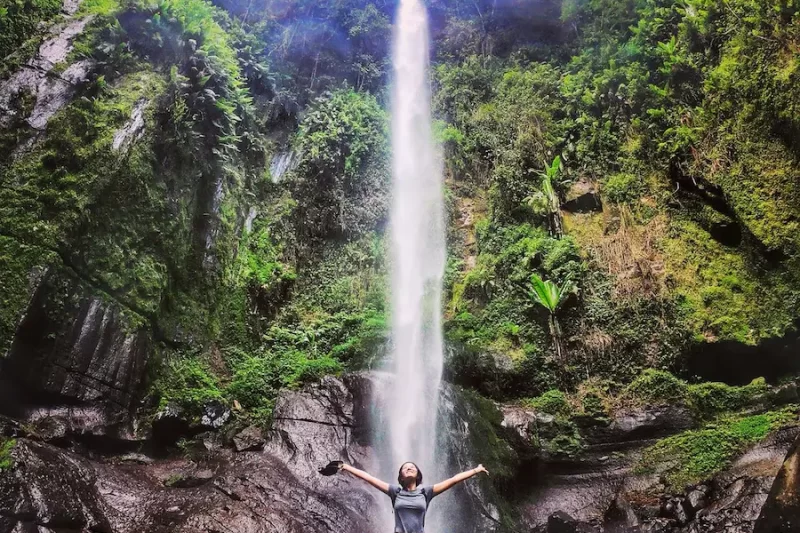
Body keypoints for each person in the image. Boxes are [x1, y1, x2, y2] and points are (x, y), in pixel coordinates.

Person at [335, 460, 489, 533]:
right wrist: (347, 467)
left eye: (412, 467)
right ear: (401, 477)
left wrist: (476, 470)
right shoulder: (395, 491)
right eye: (405, 468)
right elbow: (369, 478)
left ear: (417, 475)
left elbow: (454, 480)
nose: (409, 468)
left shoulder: (426, 492)